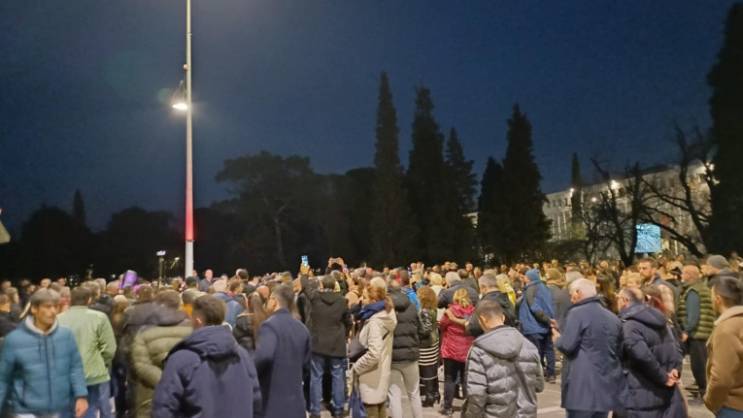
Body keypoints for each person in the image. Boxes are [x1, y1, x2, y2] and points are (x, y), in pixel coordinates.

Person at [152, 295, 261, 418]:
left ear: (198, 320)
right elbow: (256, 401)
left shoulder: (181, 359)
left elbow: (164, 408)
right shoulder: (242, 354)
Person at [0, 289, 89, 417]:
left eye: (56, 307)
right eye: (47, 307)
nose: (53, 311)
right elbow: (3, 378)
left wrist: (81, 396)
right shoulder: (14, 340)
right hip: (24, 411)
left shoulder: (66, 336)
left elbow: (75, 367)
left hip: (58, 409)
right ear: (34, 309)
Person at [553, 278, 625, 418]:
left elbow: (567, 346)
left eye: (571, 295)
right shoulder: (612, 317)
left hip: (582, 386)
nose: (571, 299)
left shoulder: (577, 313)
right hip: (605, 386)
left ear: (578, 292)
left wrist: (557, 339)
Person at [462, 299, 544, 418]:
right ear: (503, 317)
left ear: (482, 319)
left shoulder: (478, 351)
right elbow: (539, 385)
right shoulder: (528, 345)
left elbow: (476, 395)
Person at [617, 287, 684, 417]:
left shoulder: (629, 325)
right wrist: (676, 370)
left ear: (625, 300)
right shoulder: (663, 321)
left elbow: (641, 356)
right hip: (665, 392)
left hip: (639, 392)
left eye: (618, 298)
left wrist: (663, 377)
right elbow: (676, 349)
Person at [130, 290, 192, 418]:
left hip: (151, 393)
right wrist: (176, 383)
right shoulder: (193, 329)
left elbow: (141, 365)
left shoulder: (144, 331)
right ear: (179, 304)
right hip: (185, 392)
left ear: (157, 305)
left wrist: (165, 381)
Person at [58, 287, 117, 418]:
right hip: (91, 373)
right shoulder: (100, 318)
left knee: (65, 411)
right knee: (88, 410)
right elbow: (109, 348)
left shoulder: (57, 319)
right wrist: (100, 363)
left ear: (70, 300)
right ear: (89, 300)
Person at [253, 285, 311, 418]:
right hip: (296, 403)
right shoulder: (302, 329)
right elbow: (307, 366)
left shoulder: (269, 326)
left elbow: (263, 357)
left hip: (272, 403)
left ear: (274, 301)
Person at [306, 275, 351, 418]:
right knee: (338, 376)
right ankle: (338, 409)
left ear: (322, 285)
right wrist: (345, 335)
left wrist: (304, 269)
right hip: (336, 343)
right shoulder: (342, 301)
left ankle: (315, 411)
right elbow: (348, 322)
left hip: (318, 343)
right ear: (334, 285)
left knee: (316, 377)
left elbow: (305, 285)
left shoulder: (315, 298)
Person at [352, 285, 397, 418]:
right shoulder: (386, 314)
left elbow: (374, 353)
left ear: (373, 301)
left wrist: (357, 367)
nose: (362, 300)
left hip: (370, 377)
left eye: (365, 297)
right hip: (380, 374)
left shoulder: (375, 321)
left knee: (371, 411)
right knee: (380, 410)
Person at [705, 276, 743, 417]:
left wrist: (710, 401)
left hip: (732, 406)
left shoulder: (726, 329)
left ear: (718, 299)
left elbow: (721, 378)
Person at [387, 280, 424, 418]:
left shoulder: (385, 308)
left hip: (392, 356)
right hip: (410, 354)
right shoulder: (412, 306)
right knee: (414, 393)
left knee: (394, 395)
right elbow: (421, 329)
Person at [679, 263, 715, 400]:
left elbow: (693, 315)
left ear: (689, 275)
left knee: (699, 365)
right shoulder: (702, 288)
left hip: (698, 334)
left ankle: (705, 392)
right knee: (703, 364)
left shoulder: (693, 291)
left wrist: (686, 330)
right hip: (704, 332)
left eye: (683, 273)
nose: (681, 276)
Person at [439, 288, 475, 416]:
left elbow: (442, 325)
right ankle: (467, 406)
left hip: (451, 349)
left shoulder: (450, 311)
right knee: (465, 379)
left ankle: (447, 407)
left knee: (449, 378)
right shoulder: (473, 311)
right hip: (467, 349)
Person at [518, 269, 556, 383]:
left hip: (533, 325)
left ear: (529, 278)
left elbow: (534, 307)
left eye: (525, 276)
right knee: (549, 350)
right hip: (547, 324)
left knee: (535, 352)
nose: (524, 278)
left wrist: (545, 319)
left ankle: (537, 376)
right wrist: (549, 321)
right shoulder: (546, 288)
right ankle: (551, 373)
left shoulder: (530, 289)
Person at [467, 273, 516, 339]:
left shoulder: (485, 304)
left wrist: (467, 324)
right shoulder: (506, 299)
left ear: (483, 287)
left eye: (480, 288)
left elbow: (473, 328)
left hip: (492, 339)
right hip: (510, 337)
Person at [417, 286, 440, 407]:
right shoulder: (433, 309)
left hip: (425, 345)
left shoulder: (424, 312)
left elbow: (425, 330)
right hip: (433, 342)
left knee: (426, 371)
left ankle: (429, 397)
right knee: (431, 369)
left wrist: (415, 331)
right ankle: (435, 393)